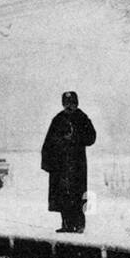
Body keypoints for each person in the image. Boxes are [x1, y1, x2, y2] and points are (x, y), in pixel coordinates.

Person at [41, 91, 96, 233]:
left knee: (77, 196)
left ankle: (79, 224)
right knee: (62, 196)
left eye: (72, 103)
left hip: (77, 166)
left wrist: (76, 137)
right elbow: (48, 143)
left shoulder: (82, 118)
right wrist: (48, 162)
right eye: (66, 104)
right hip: (60, 166)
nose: (69, 107)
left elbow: (91, 138)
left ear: (76, 103)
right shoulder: (58, 120)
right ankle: (66, 224)